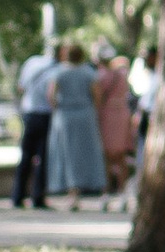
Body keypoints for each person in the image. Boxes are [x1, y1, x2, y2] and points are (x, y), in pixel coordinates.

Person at [47, 41, 106, 206]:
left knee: (68, 152)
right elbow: (97, 95)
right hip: (85, 115)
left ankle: (73, 191)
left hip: (65, 116)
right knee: (89, 151)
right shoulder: (88, 72)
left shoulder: (59, 72)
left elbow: (51, 95)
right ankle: (98, 187)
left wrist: (58, 109)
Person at [12, 43, 56, 209]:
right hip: (45, 114)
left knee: (26, 157)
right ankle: (38, 196)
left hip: (29, 113)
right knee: (43, 157)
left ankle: (18, 195)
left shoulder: (31, 63)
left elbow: (20, 87)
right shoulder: (56, 69)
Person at [93, 45, 136, 196]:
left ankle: (107, 190)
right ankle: (122, 192)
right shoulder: (122, 75)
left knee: (107, 155)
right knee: (121, 155)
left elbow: (98, 98)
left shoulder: (100, 76)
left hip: (107, 115)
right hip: (122, 114)